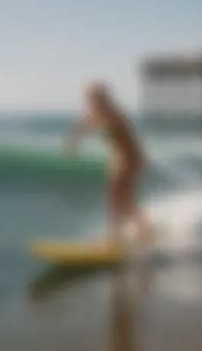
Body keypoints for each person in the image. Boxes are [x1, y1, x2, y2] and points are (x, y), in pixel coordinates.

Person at [64, 81, 153, 246]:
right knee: (122, 198)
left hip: (130, 158)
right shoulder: (96, 113)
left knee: (117, 196)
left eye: (93, 98)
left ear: (103, 98)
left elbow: (129, 139)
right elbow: (84, 124)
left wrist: (139, 162)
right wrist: (73, 139)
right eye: (89, 98)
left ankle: (118, 236)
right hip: (119, 159)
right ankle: (142, 232)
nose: (89, 101)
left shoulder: (114, 114)